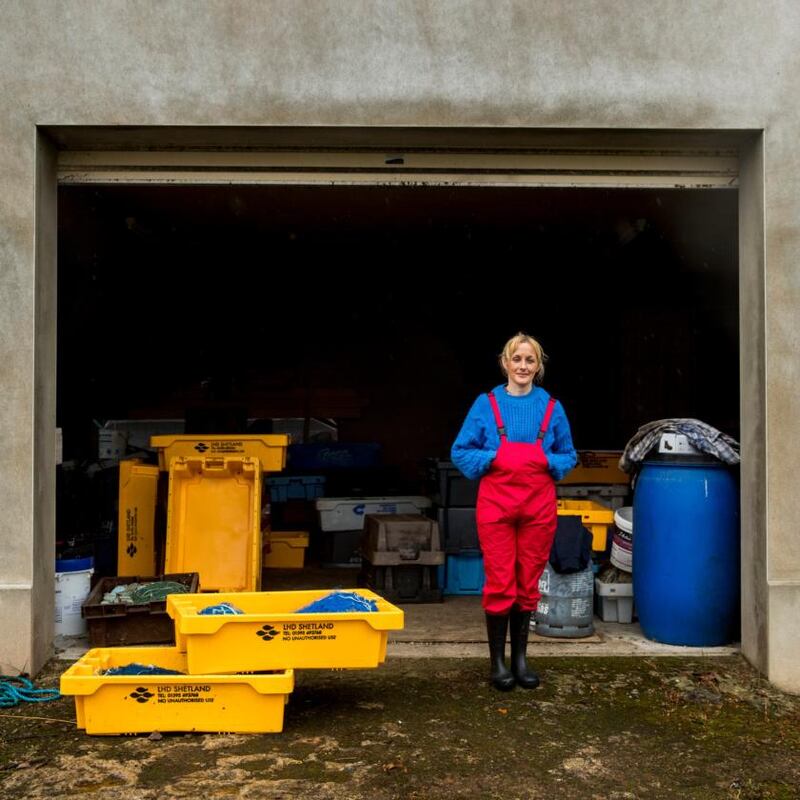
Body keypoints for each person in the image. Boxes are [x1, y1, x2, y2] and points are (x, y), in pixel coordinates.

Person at [451, 332, 577, 690]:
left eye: (530, 360)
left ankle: (521, 660)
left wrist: (541, 458)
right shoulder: (485, 404)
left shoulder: (552, 408)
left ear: (538, 367)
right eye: (516, 359)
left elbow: (568, 456)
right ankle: (497, 664)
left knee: (527, 583)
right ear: (505, 363)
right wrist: (494, 456)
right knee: (500, 581)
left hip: (538, 507)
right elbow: (461, 451)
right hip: (496, 507)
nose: (523, 366)